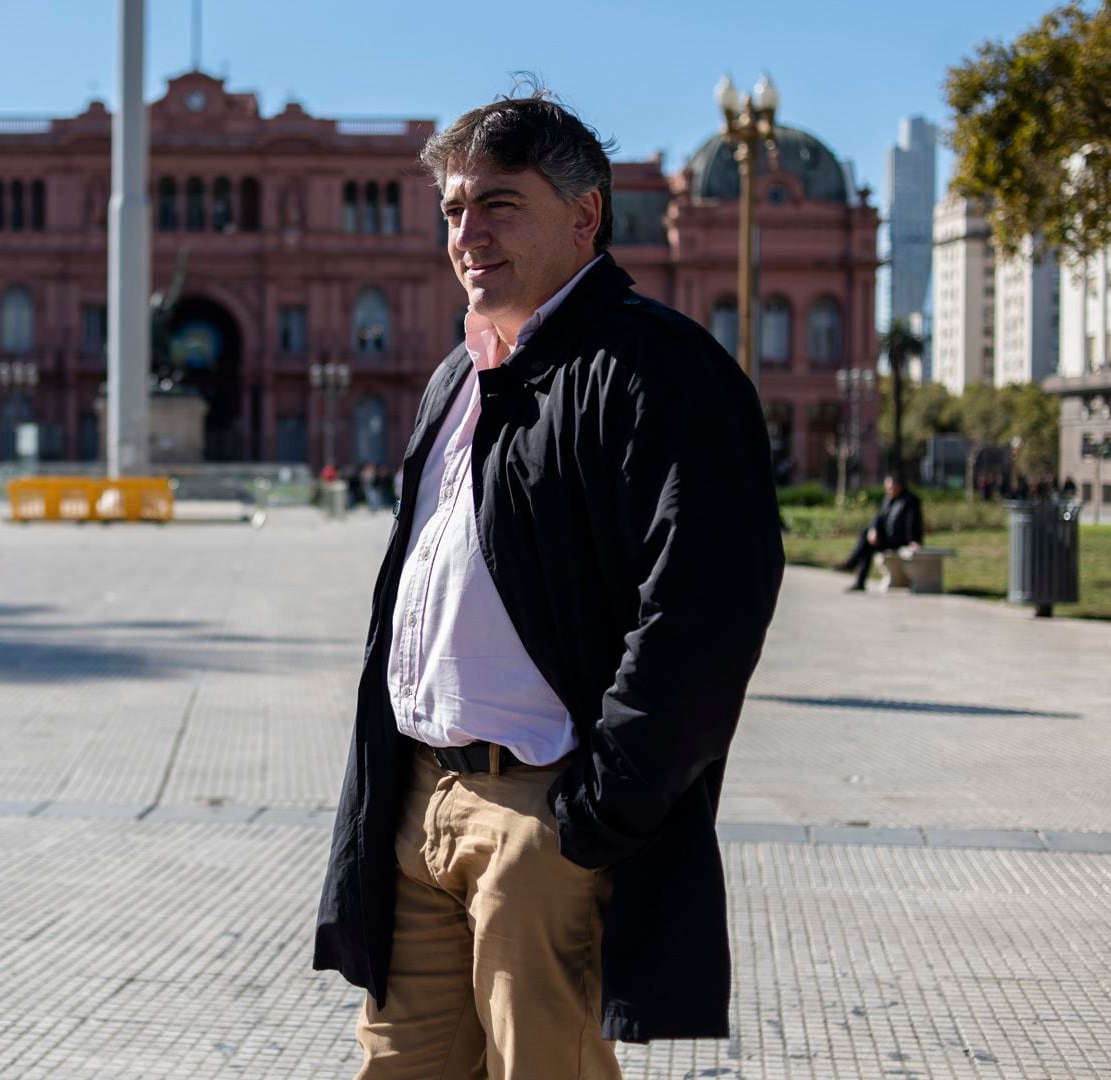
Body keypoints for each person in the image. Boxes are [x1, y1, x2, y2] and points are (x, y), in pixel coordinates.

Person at [314, 86, 783, 1078]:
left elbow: (707, 602)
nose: (467, 233)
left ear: (583, 216)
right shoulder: (459, 377)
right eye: (452, 210)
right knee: (399, 1066)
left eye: (498, 204)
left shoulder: (656, 369)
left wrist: (597, 811)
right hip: (419, 808)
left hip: (542, 814)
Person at [838, 474, 925, 592]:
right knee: (866, 538)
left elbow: (913, 522)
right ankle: (859, 581)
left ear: (900, 485)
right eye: (887, 487)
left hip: (901, 541)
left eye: (891, 486)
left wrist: (914, 540)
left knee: (865, 539)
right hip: (887, 539)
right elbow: (878, 519)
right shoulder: (887, 500)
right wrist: (873, 530)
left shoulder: (910, 500)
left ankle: (852, 563)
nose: (888, 489)